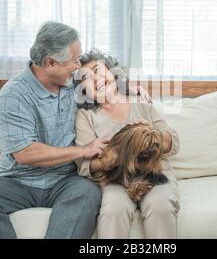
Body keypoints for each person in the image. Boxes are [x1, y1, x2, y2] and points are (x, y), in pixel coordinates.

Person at [0, 21, 107, 239]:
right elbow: (25, 153)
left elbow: (106, 84)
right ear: (50, 63)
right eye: (74, 60)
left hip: (65, 179)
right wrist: (83, 150)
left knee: (88, 194)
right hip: (17, 181)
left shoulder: (73, 83)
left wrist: (131, 92)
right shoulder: (14, 94)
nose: (78, 65)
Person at [74, 50, 180, 239]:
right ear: (83, 92)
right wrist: (115, 156)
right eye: (86, 78)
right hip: (115, 181)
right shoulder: (86, 116)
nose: (96, 78)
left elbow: (171, 141)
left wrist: (148, 135)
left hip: (155, 174)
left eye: (98, 70)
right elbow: (85, 165)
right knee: (113, 210)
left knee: (160, 206)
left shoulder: (140, 101)